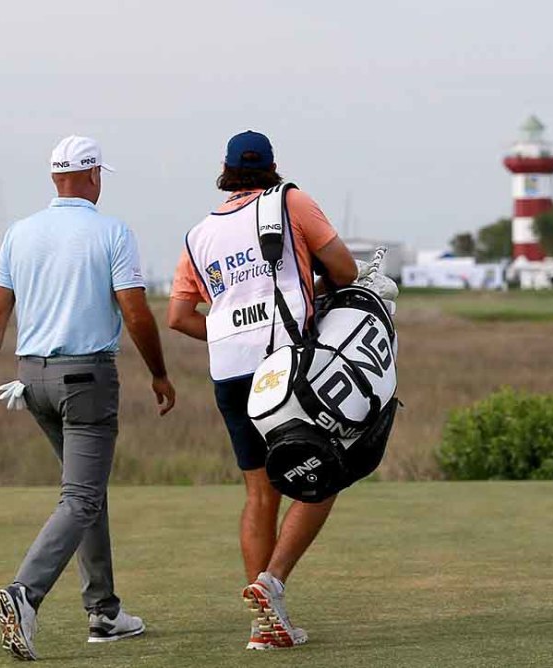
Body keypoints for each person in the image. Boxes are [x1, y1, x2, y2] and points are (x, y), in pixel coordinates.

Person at [0, 135, 176, 661]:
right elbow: (135, 310)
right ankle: (24, 594)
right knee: (81, 497)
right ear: (94, 175)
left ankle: (104, 612)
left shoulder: (20, 233)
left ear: (56, 177)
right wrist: (160, 374)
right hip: (87, 383)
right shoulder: (113, 232)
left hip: (30, 384)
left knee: (86, 492)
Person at [167, 130, 357, 650]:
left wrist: (232, 331)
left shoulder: (199, 233)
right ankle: (271, 584)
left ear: (226, 170)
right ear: (272, 166)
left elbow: (179, 316)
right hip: (285, 364)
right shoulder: (290, 199)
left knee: (259, 493)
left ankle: (265, 627)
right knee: (326, 473)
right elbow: (345, 271)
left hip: (228, 371)